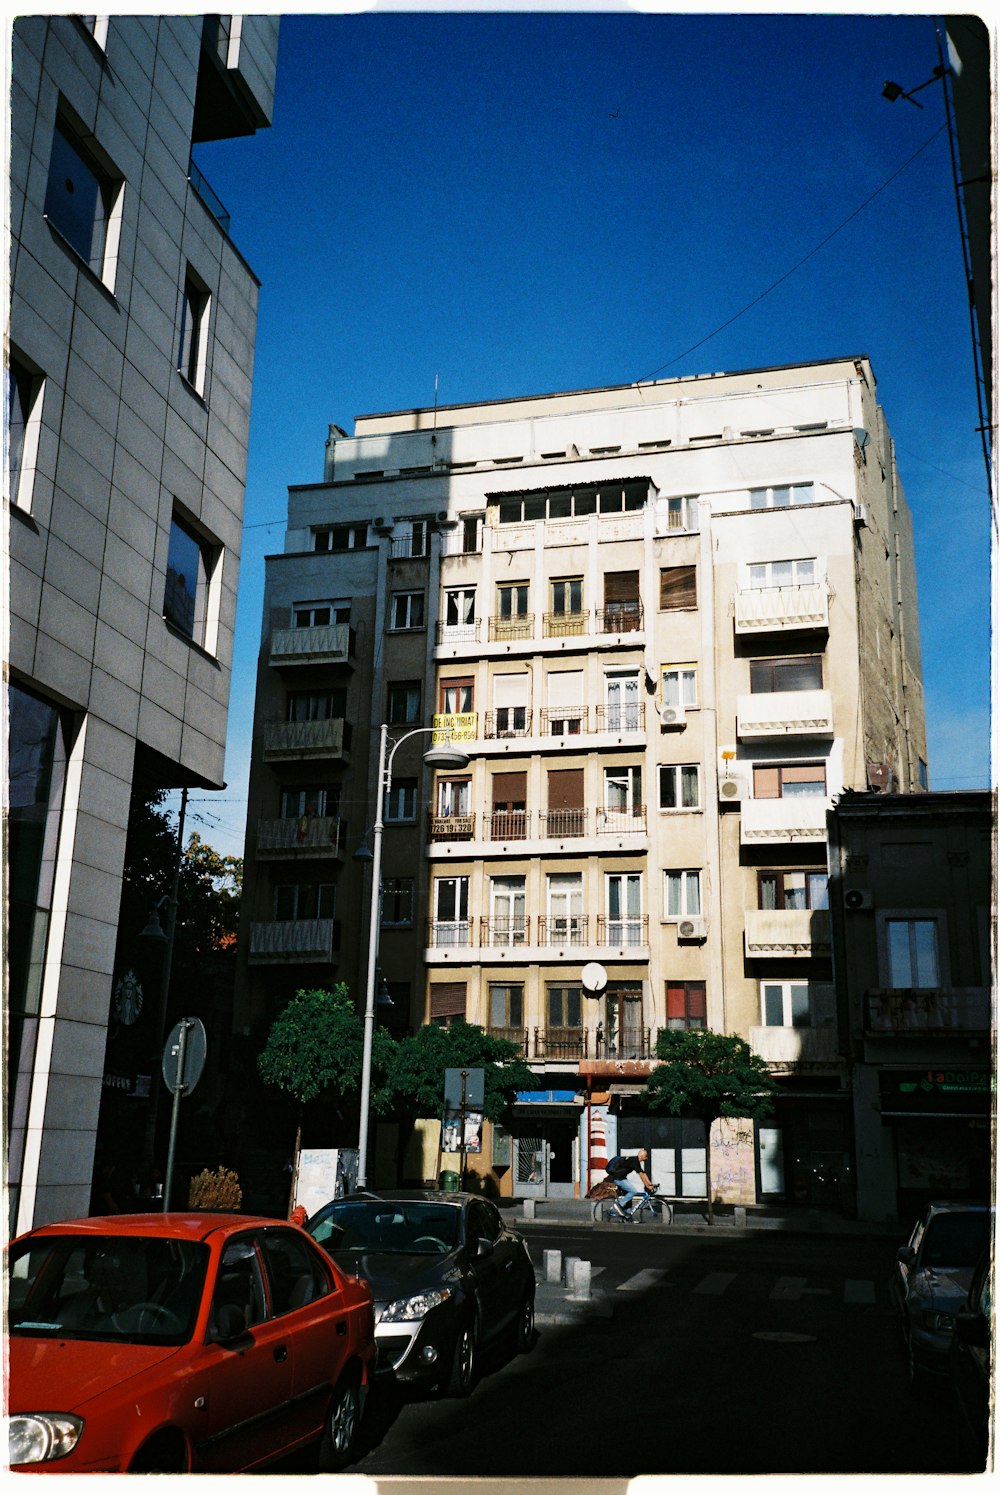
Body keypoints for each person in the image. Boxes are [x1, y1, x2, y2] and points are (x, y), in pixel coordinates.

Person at [605, 1148, 654, 1216]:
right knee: (633, 1191)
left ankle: (627, 1215)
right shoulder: (634, 1162)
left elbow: (643, 1173)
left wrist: (650, 1184)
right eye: (646, 1156)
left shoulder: (635, 1160)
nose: (647, 1158)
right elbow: (641, 1175)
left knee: (629, 1197)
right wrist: (647, 1186)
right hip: (618, 1179)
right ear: (642, 1156)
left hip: (622, 1178)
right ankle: (620, 1204)